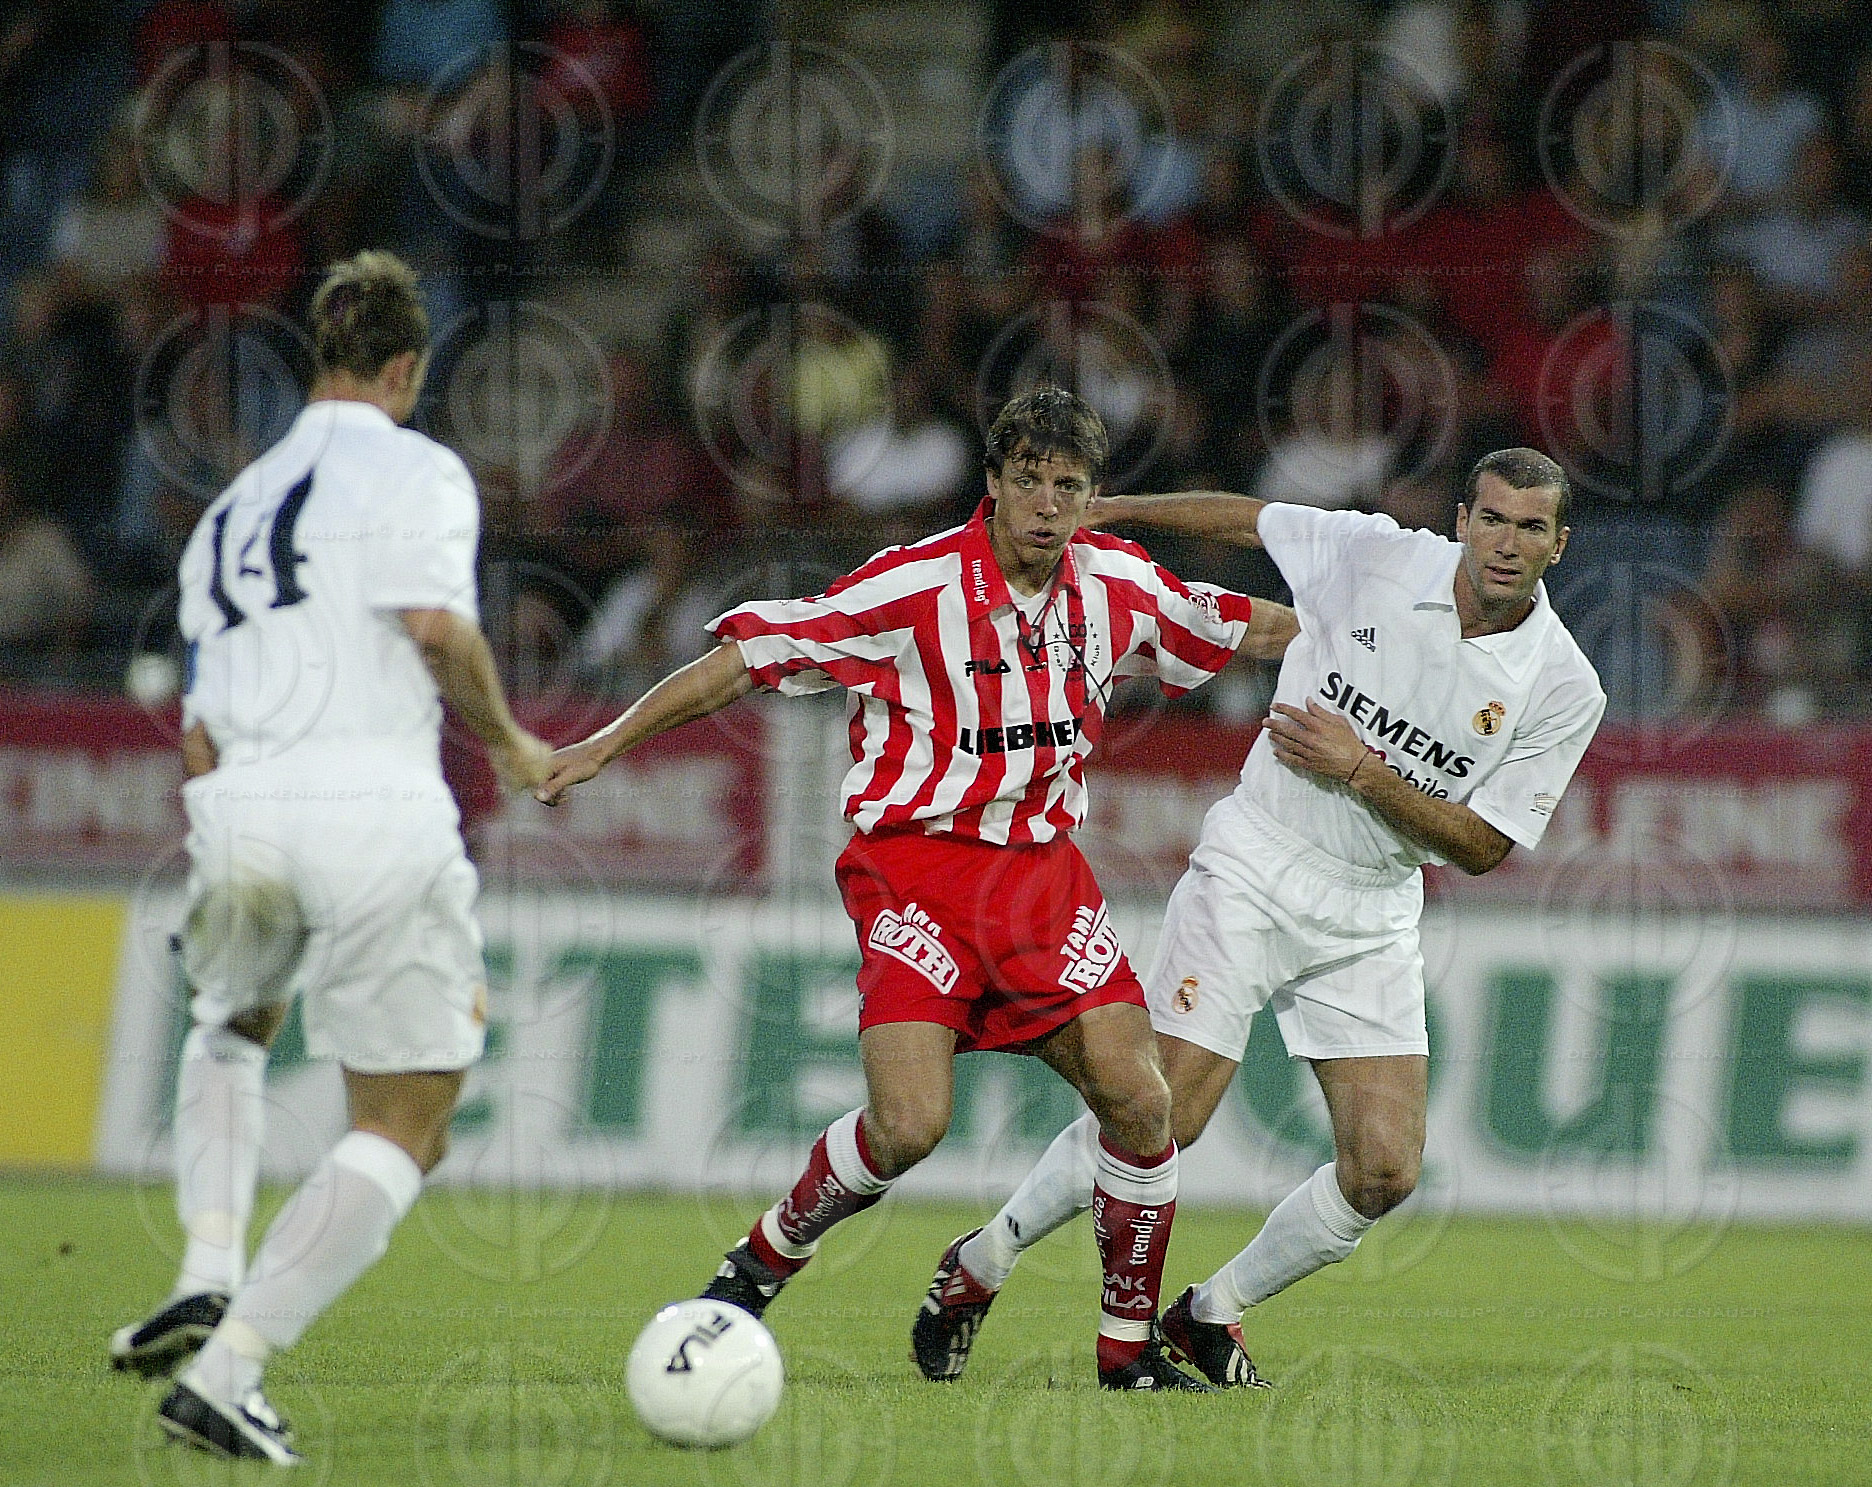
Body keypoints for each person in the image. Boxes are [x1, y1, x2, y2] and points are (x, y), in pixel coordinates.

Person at [537, 387, 1299, 1390]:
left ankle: (1122, 1354)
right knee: (906, 1127)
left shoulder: (1117, 581)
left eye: (1067, 484)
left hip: (1042, 880)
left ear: (1090, 496)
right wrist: (601, 742)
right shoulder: (910, 587)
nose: (1045, 501)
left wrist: (1386, 623)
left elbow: (1240, 623)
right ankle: (761, 1262)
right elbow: (748, 659)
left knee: (1140, 1097)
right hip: (916, 871)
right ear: (993, 483)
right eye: (1026, 478)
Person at [915, 448, 1607, 1387]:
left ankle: (1210, 1312)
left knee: (1385, 1171)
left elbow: (1485, 845)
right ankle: (982, 1262)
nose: (1506, 542)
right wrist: (1114, 507)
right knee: (1166, 1114)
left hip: (1371, 909)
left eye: (1531, 527)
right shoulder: (1375, 556)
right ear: (1461, 519)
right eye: (1492, 518)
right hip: (1259, 859)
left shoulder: (1563, 685)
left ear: (1559, 546)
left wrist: (1362, 767)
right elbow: (1250, 517)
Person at [108, 251, 552, 1464]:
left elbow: (196, 722)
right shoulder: (418, 468)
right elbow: (434, 624)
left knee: (230, 1021)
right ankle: (227, 1368)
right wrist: (509, 742)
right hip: (372, 808)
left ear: (321, 357)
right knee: (409, 1118)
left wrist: (236, 831)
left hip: (237, 803)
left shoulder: (229, 508)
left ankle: (206, 1267)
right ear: (407, 368)